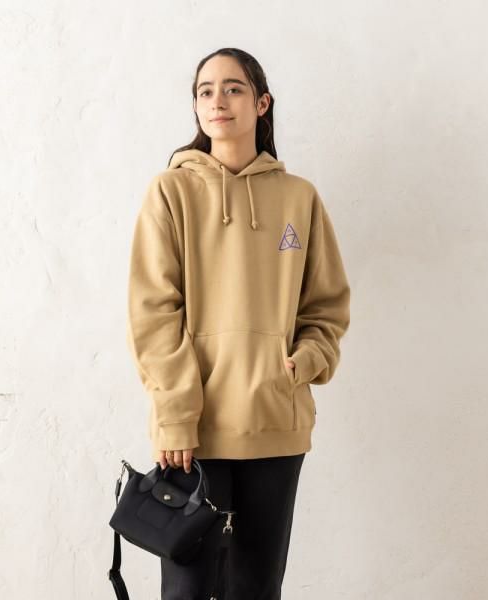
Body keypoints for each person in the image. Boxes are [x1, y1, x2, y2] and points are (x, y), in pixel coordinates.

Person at [126, 47, 351, 599]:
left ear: (261, 103)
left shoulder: (299, 198)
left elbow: (325, 306)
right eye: (205, 91)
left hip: (276, 420)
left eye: (233, 88)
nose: (217, 100)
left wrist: (306, 361)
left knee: (257, 588)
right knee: (187, 591)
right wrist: (176, 415)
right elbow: (154, 312)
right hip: (194, 431)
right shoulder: (171, 191)